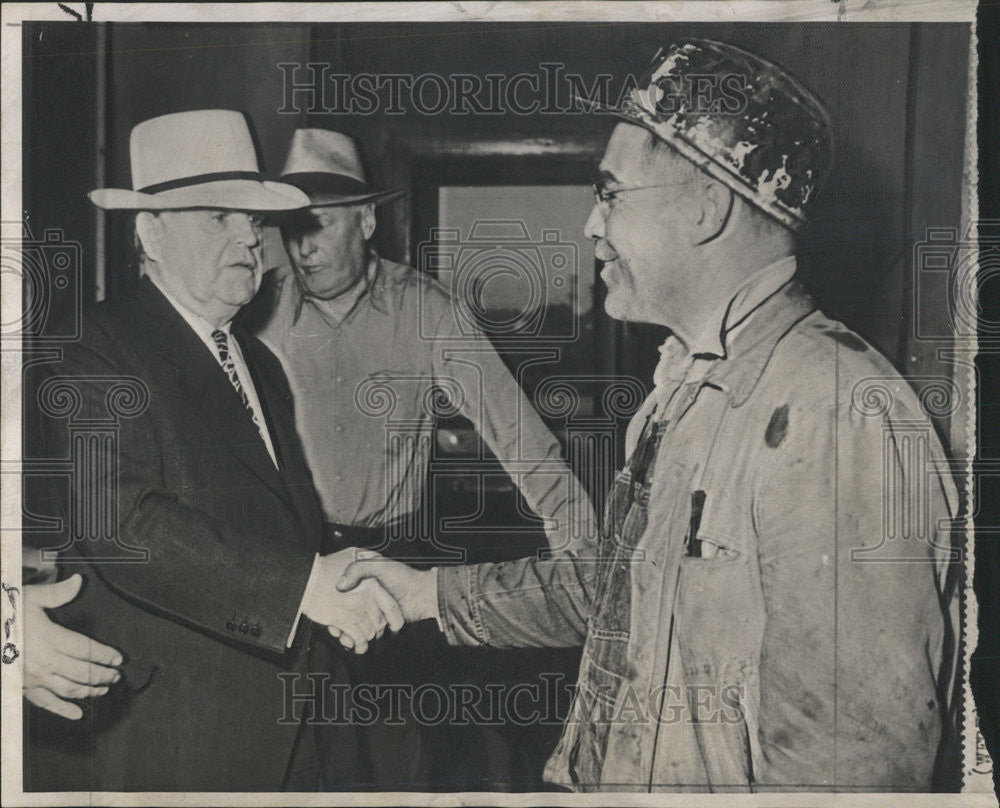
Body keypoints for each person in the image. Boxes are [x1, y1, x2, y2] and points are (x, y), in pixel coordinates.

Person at [336, 39, 961, 791]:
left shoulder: (835, 415)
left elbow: (852, 771)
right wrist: (422, 594)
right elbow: (610, 592)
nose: (592, 227)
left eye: (611, 194)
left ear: (706, 208)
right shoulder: (684, 391)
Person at [23, 109, 404, 791]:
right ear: (150, 233)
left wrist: (336, 577)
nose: (249, 240)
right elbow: (127, 526)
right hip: (175, 734)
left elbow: (282, 529)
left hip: (300, 721)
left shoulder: (258, 361)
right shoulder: (92, 349)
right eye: (218, 218)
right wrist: (307, 588)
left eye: (254, 222)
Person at [242, 128, 597, 788]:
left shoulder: (429, 312)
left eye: (319, 225)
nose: (303, 246)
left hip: (391, 577)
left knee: (402, 769)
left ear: (367, 220)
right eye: (291, 228)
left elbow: (526, 444)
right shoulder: (258, 311)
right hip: (292, 572)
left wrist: (588, 570)